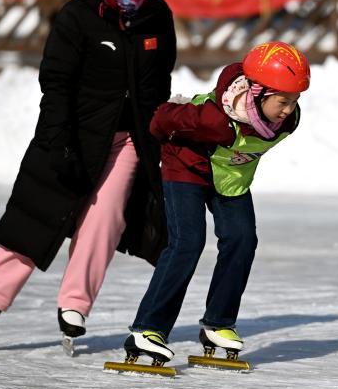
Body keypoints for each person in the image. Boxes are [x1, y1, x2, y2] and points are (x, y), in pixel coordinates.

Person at [0, 0, 176, 351]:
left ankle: (75, 303)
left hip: (129, 141)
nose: (136, 0)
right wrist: (61, 143)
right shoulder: (77, 17)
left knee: (105, 216)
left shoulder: (158, 18)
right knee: (39, 211)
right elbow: (55, 84)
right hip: (71, 134)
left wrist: (159, 132)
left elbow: (160, 81)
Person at [121, 41, 310, 365]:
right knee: (187, 242)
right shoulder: (212, 119)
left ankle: (218, 322)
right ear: (258, 92)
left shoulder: (287, 121)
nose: (288, 110)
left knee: (242, 239)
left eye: (294, 101)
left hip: (230, 179)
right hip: (187, 167)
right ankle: (148, 329)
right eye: (282, 101)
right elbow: (161, 120)